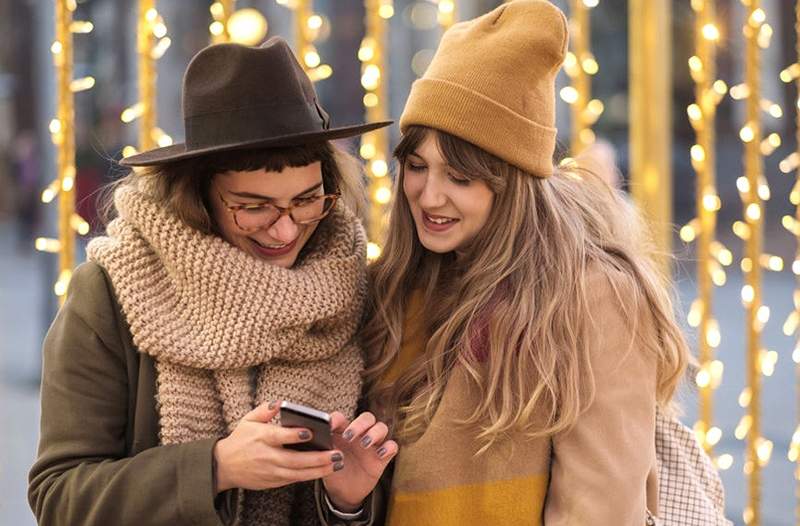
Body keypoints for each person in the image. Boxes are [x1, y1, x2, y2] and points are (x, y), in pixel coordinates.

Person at [28, 38, 398, 526]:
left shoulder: (358, 290)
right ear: (196, 196)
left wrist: (346, 504)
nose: (285, 229)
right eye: (253, 207)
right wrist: (217, 467)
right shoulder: (112, 291)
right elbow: (59, 497)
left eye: (307, 201)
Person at [356, 1, 690, 524]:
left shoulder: (593, 292)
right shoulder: (401, 284)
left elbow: (598, 507)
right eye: (418, 167)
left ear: (512, 183)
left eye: (460, 178)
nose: (429, 196)